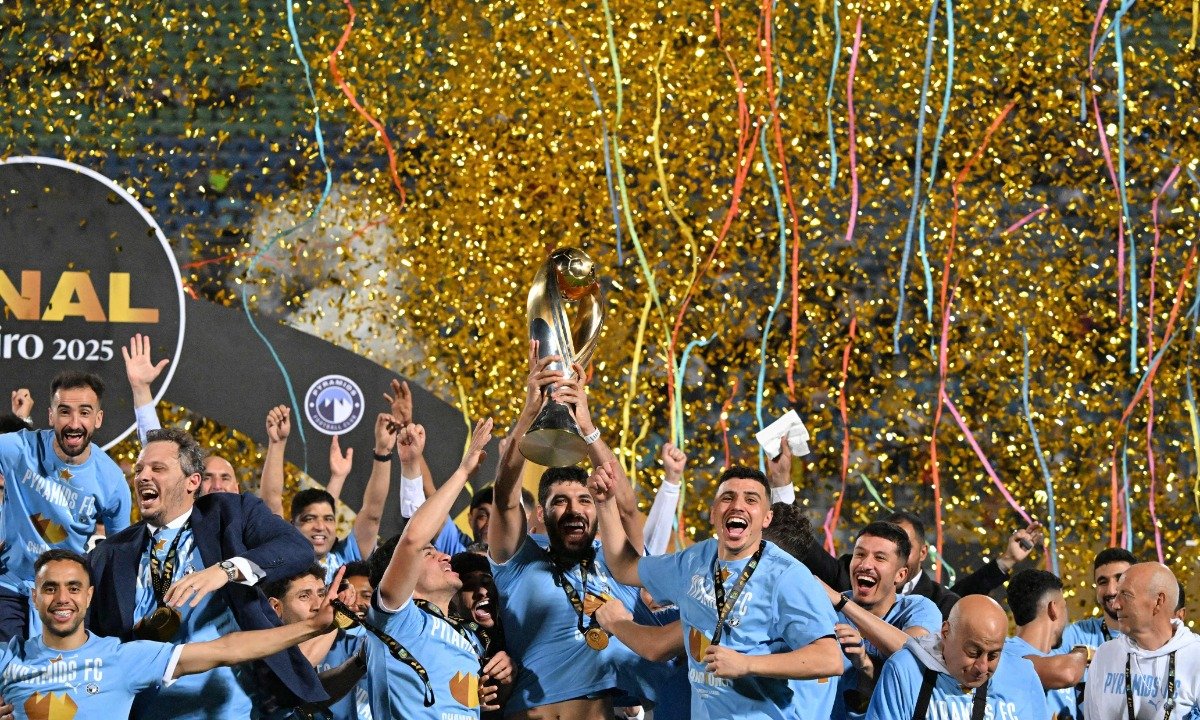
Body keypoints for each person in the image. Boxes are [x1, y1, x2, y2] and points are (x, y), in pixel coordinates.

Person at [87, 427, 325, 718]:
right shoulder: (108, 555)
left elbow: (297, 548)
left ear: (192, 481)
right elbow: (91, 649)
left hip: (230, 708)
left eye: (157, 468)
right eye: (139, 469)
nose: (142, 476)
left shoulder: (230, 513)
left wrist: (226, 570)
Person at [488, 348, 662, 719]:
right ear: (542, 513)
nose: (573, 510)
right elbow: (504, 498)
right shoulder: (520, 558)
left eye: (584, 500)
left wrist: (588, 428)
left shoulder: (617, 561)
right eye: (560, 502)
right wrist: (530, 414)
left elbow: (627, 506)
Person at [593, 461, 844, 719]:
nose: (737, 505)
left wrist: (746, 664)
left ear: (766, 517)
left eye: (751, 499)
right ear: (713, 512)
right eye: (728, 497)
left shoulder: (787, 576)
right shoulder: (694, 561)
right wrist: (604, 504)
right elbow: (625, 567)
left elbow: (829, 659)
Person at [0, 549, 342, 720]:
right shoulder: (7, 659)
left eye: (73, 588)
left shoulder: (121, 658)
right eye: (50, 588)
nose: (62, 599)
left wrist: (311, 627)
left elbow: (226, 649)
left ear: (89, 596)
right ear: (34, 597)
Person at [770, 445, 1043, 619]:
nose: (869, 563)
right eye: (866, 553)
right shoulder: (847, 574)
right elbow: (805, 547)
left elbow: (964, 597)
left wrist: (1006, 561)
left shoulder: (936, 603)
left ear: (921, 553)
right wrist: (782, 486)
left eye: (903, 547)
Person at [363, 417, 514, 718]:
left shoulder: (471, 637)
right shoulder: (398, 619)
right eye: (430, 554)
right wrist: (465, 469)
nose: (445, 557)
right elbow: (413, 539)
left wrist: (502, 680)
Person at [0, 371, 132, 641]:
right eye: (64, 412)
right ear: (50, 416)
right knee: (8, 669)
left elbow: (119, 554)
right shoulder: (18, 449)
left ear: (98, 418)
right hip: (10, 586)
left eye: (84, 412)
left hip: (65, 598)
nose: (74, 423)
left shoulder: (112, 480)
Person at [260, 405, 396, 584]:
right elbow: (271, 501)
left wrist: (383, 453)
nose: (320, 526)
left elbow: (372, 514)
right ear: (293, 526)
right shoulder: (283, 559)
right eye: (309, 519)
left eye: (329, 519)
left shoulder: (346, 560)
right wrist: (277, 444)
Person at [865, 595, 1048, 720]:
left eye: (993, 655)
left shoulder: (1023, 675)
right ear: (945, 633)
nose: (982, 667)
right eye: (973, 653)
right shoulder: (905, 669)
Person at [827, 522, 942, 718]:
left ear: (901, 574)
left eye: (879, 558)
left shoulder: (919, 609)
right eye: (860, 554)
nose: (865, 564)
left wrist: (843, 603)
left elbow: (915, 656)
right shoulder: (826, 607)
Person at [123, 333, 240, 495]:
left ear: (237, 488)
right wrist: (141, 389)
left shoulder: (251, 519)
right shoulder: (184, 519)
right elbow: (155, 450)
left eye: (225, 478)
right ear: (194, 483)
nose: (217, 486)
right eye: (207, 477)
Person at [1084, 562, 1200, 719]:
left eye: (1126, 595)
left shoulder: (1195, 657)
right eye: (1118, 594)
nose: (1116, 604)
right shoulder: (1105, 655)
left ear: (1158, 602)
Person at [264, 565, 366, 720]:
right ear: (276, 607)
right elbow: (296, 675)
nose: (318, 605)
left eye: (321, 594)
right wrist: (333, 622)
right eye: (304, 596)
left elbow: (316, 693)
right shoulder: (258, 643)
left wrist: (360, 661)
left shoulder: (345, 643)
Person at [1004, 569, 1086, 719]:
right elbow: (1068, 673)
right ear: (1053, 608)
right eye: (1064, 605)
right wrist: (1083, 651)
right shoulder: (1006, 653)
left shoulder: (1055, 658)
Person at [1061, 547, 1136, 649]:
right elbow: (1035, 659)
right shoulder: (1078, 635)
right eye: (1103, 582)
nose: (1111, 591)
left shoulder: (1159, 634)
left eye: (1120, 579)